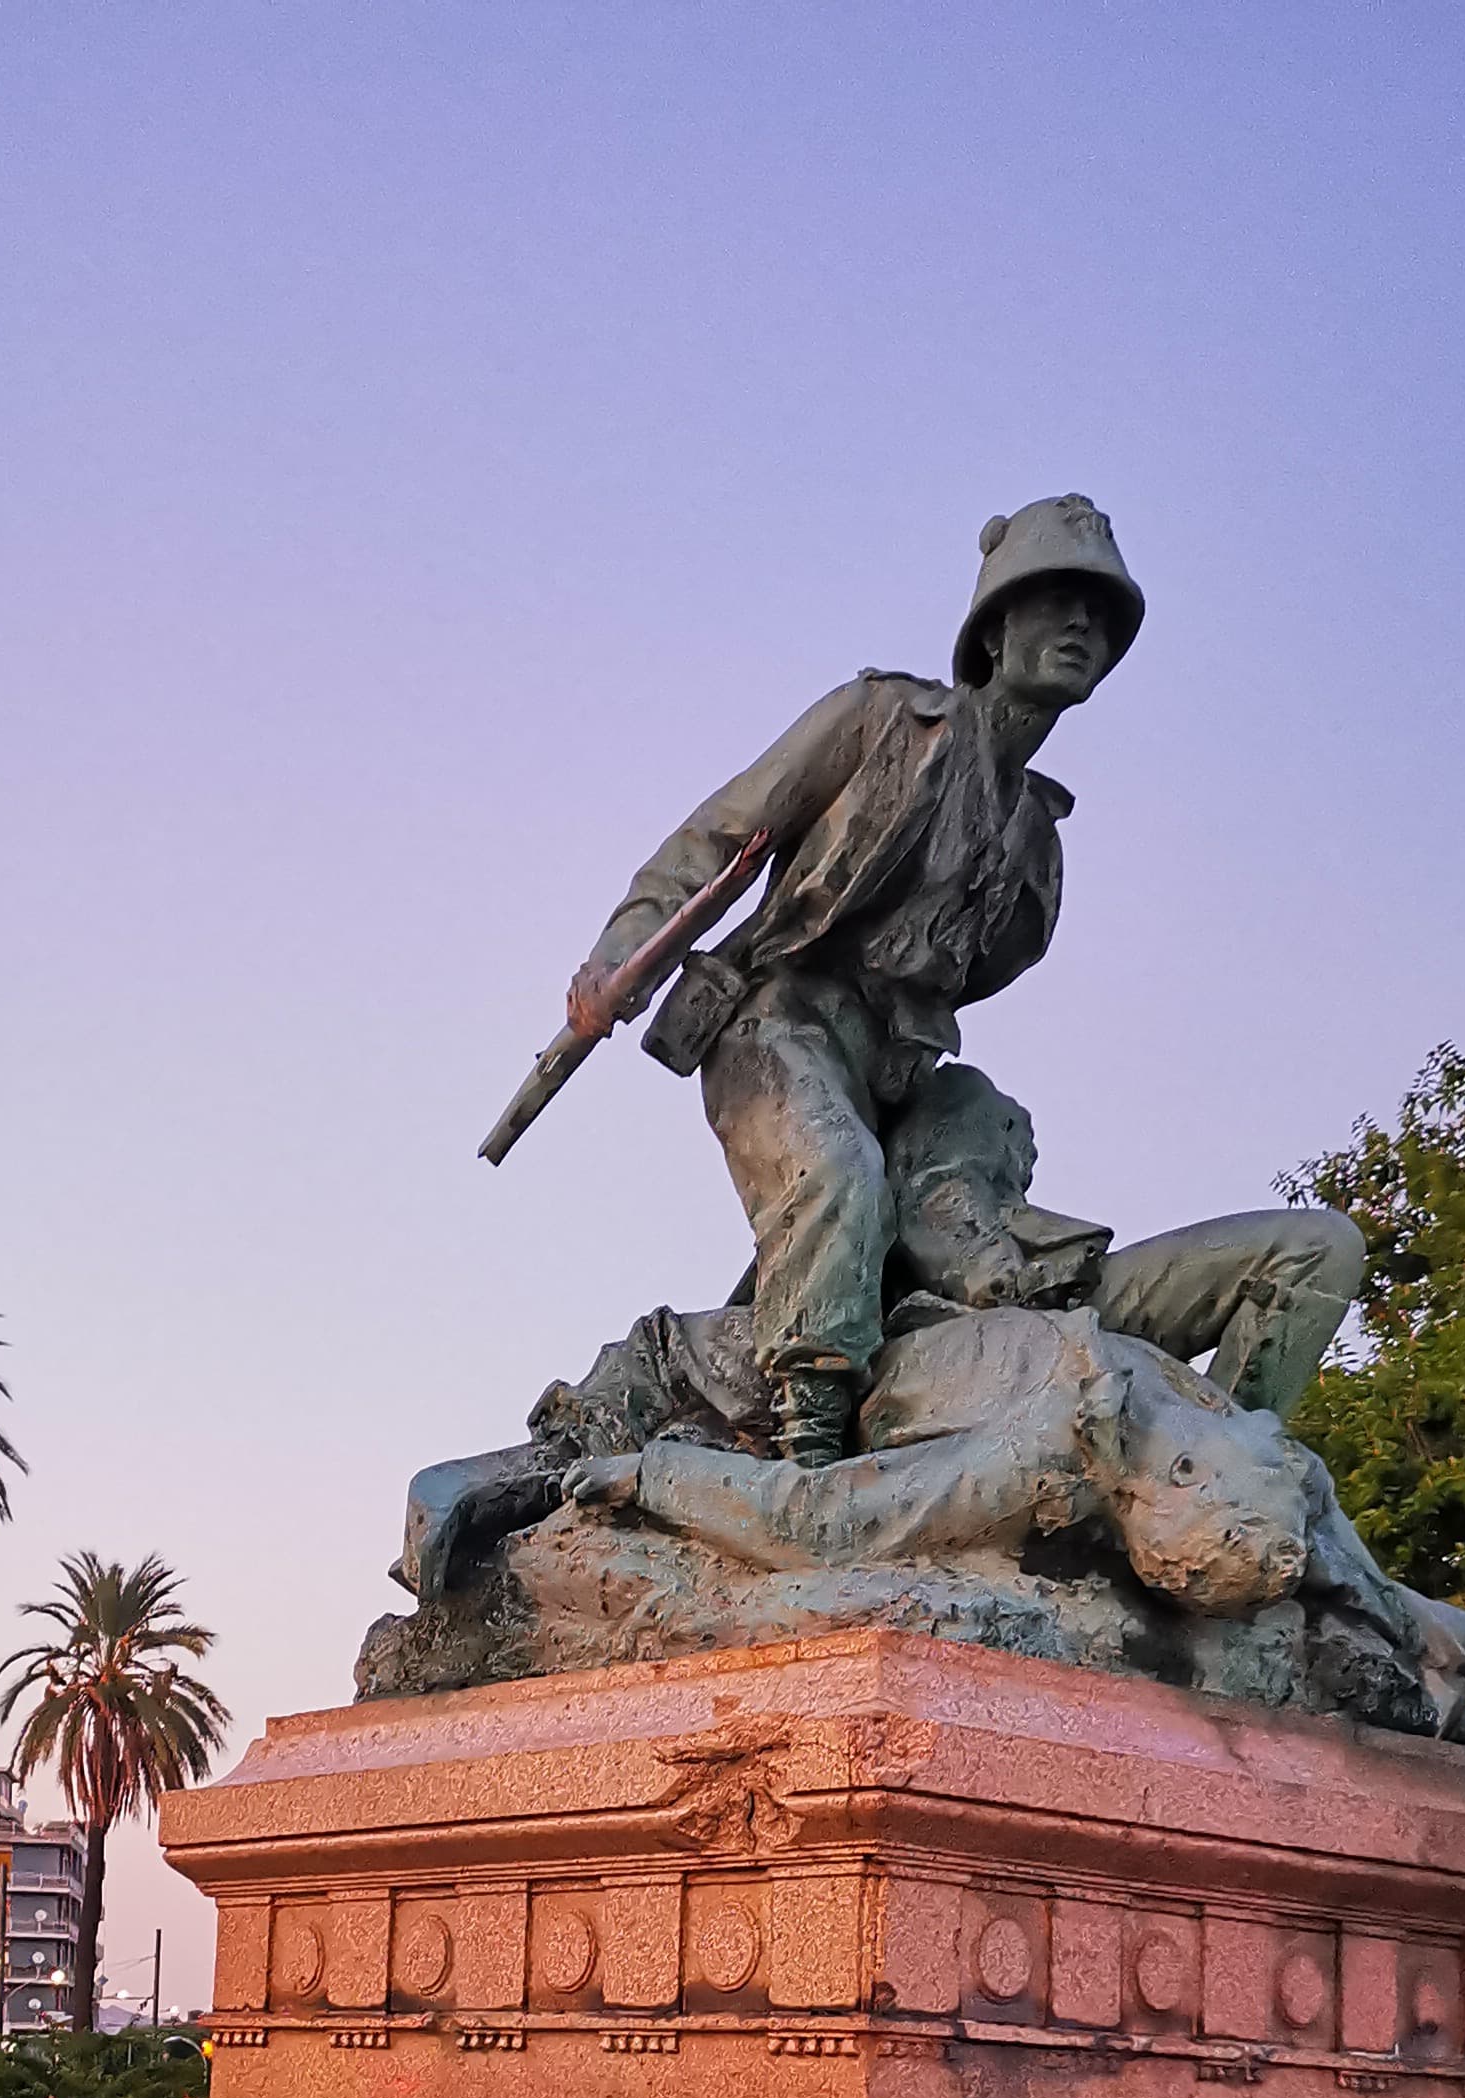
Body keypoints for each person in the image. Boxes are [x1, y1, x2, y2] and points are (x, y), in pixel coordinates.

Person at [562, 498, 1362, 1463]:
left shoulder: (1035, 843)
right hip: (778, 1023)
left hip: (903, 1074)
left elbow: (967, 982)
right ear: (995, 627)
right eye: (1056, 600)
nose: (1081, 627)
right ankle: (810, 1461)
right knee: (839, 1178)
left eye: (1100, 615)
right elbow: (723, 834)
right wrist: (622, 957)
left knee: (970, 1147)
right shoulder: (882, 721)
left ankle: (1223, 1464)